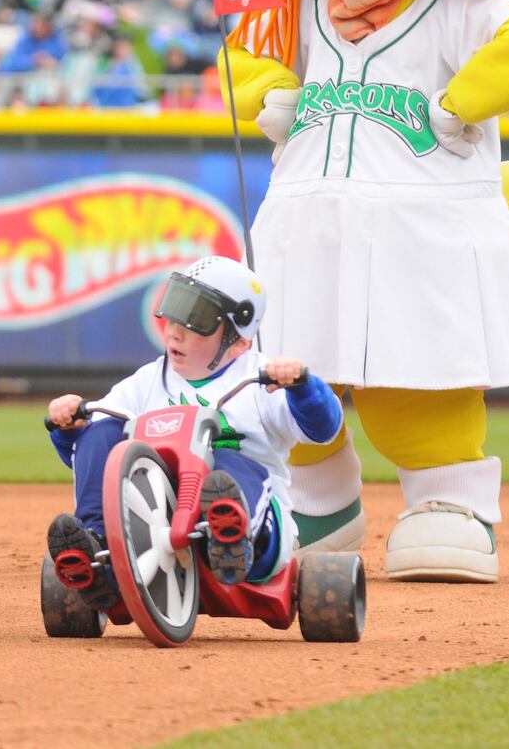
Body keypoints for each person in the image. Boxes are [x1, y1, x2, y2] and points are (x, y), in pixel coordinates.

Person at [44, 257, 343, 608]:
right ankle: (98, 548)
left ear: (239, 338)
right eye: (174, 313)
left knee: (227, 460)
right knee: (104, 426)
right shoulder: (147, 382)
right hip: (154, 530)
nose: (175, 330)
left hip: (259, 535)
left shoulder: (263, 379)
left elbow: (324, 430)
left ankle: (230, 530)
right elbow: (90, 459)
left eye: (197, 320)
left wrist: (303, 388)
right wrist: (70, 428)